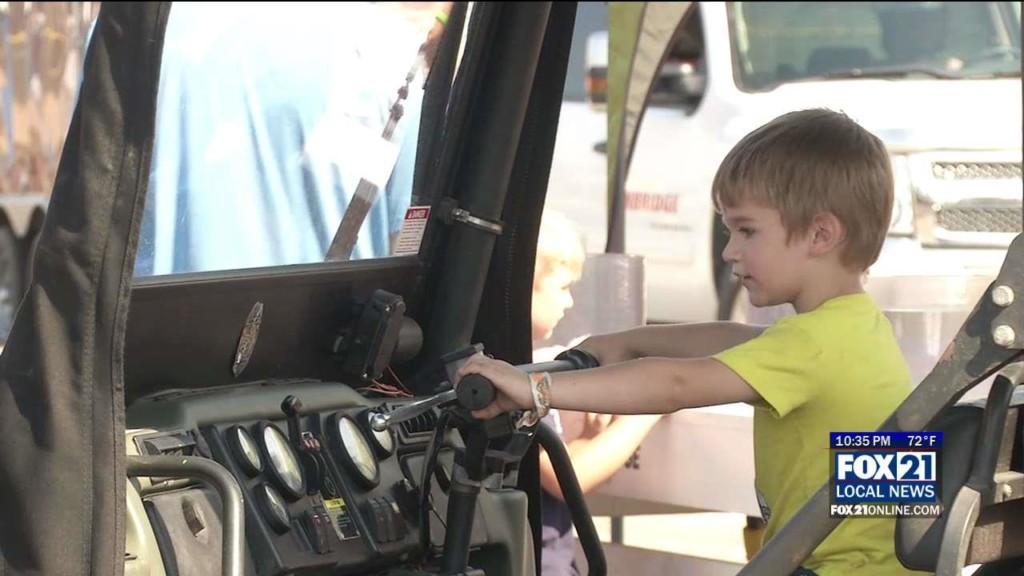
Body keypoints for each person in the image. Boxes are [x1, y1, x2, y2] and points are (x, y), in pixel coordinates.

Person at [458, 109, 927, 575]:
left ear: (821, 234)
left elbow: (676, 384)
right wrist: (628, 342)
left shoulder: (811, 346)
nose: (729, 251)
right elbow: (734, 339)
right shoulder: (855, 328)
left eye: (747, 230)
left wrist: (535, 389)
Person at [530, 210, 661, 576]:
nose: (570, 302)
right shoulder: (513, 377)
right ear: (526, 286)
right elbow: (567, 479)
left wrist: (588, 439)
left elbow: (545, 462)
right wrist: (647, 412)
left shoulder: (511, 368)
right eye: (563, 288)